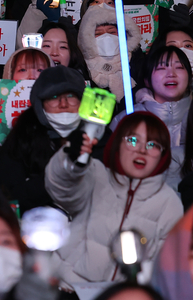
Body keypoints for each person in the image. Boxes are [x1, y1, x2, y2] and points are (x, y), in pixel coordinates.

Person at [45, 112, 183, 288]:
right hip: (67, 287)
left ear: (163, 154)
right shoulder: (95, 174)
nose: (142, 149)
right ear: (118, 144)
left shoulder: (169, 203)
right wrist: (70, 160)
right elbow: (61, 186)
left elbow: (167, 268)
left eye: (153, 144)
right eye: (133, 140)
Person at [0, 66, 97, 213]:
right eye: (54, 97)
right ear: (40, 104)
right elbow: (8, 196)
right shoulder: (22, 139)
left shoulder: (98, 137)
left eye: (70, 96)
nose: (63, 104)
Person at [110, 46, 192, 191]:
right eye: (161, 69)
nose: (171, 74)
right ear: (147, 80)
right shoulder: (128, 119)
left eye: (179, 67)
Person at [77, 4, 142, 101]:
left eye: (111, 32)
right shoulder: (81, 65)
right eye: (98, 34)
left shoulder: (136, 59)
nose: (106, 37)